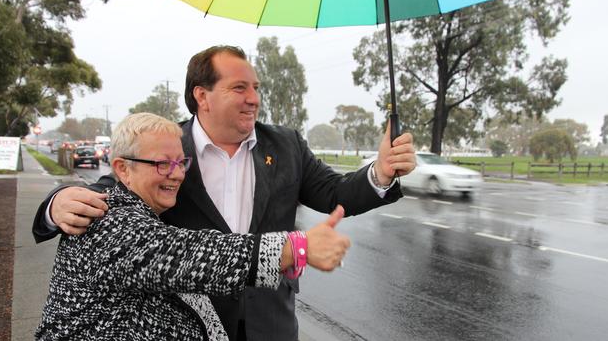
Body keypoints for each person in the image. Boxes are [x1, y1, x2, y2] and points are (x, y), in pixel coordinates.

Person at [32, 45, 416, 341]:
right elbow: (121, 195)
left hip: (271, 320)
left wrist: (380, 172)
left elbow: (335, 193)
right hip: (191, 319)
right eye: (239, 88)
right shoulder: (168, 146)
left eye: (256, 88)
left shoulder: (286, 145)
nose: (253, 98)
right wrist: (58, 202)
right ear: (203, 96)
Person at [36, 113, 350, 340]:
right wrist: (292, 248)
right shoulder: (109, 221)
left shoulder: (142, 209)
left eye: (181, 163)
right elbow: (189, 255)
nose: (176, 174)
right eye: (163, 164)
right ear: (122, 169)